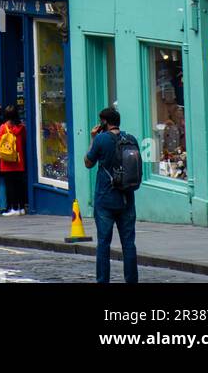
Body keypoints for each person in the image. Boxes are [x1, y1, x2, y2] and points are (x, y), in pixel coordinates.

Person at [84, 107, 139, 285]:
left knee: (104, 244)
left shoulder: (101, 139)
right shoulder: (131, 139)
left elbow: (88, 162)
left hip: (106, 198)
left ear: (104, 122)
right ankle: (132, 281)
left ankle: (103, 281)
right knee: (129, 244)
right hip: (127, 198)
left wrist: (93, 139)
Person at [0, 104, 27, 216]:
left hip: (7, 161)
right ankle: (22, 207)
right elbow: (24, 141)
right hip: (19, 160)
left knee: (10, 185)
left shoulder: (3, 128)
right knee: (20, 184)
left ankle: (13, 208)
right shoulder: (22, 128)